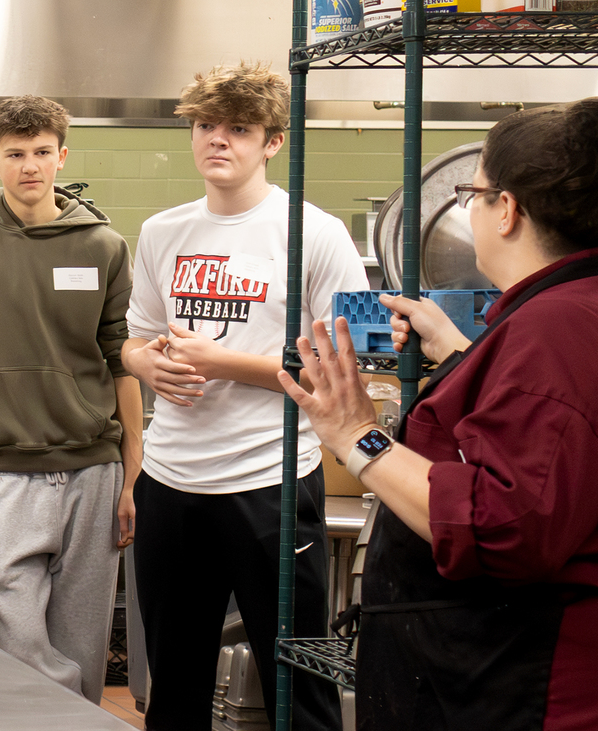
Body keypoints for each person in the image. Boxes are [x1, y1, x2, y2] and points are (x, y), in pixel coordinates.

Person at [279, 97, 598, 730]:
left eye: (470, 192)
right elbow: (556, 434)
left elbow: (499, 525)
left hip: (561, 685)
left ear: (506, 209)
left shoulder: (556, 333)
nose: (470, 208)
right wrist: (461, 354)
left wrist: (357, 437)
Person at [123, 61, 369, 731]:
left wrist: (220, 361)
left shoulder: (312, 233)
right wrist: (149, 369)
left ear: (272, 142)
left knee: (301, 681)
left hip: (273, 482)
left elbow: (341, 373)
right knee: (172, 683)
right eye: (205, 125)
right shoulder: (162, 232)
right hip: (171, 483)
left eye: (238, 127)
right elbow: (134, 341)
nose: (217, 140)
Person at [0, 95, 140, 704]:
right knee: (4, 599)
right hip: (4, 463)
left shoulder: (104, 246)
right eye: (15, 154)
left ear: (62, 156)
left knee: (84, 635)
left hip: (94, 464)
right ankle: (55, 700)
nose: (29, 166)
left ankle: (74, 714)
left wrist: (131, 476)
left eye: (42, 152)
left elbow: (122, 361)